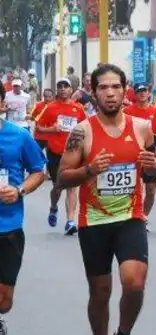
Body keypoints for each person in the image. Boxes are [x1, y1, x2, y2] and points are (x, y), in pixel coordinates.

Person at [57, 64, 156, 335]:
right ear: (94, 91)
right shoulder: (82, 132)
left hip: (130, 217)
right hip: (95, 221)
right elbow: (62, 177)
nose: (111, 93)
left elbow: (153, 170)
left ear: (125, 90)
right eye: (104, 87)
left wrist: (154, 164)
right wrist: (89, 170)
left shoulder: (143, 128)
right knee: (100, 292)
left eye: (116, 87)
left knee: (135, 282)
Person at [0, 107, 47, 335]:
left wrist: (19, 191)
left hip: (8, 226)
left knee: (4, 302)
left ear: (1, 105)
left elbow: (39, 171)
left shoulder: (18, 136)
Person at [36, 77, 86, 235]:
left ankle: (70, 221)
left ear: (71, 90)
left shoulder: (78, 108)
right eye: (60, 86)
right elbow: (38, 127)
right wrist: (52, 130)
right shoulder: (50, 107)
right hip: (55, 152)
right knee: (57, 188)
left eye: (66, 86)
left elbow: (86, 128)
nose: (63, 88)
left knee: (72, 187)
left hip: (72, 152)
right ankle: (53, 207)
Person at [123, 83, 156, 229]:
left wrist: (155, 136)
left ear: (149, 93)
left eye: (144, 91)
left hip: (151, 154)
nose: (142, 94)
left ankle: (143, 217)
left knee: (150, 190)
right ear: (135, 95)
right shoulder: (127, 111)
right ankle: (130, 216)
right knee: (131, 190)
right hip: (131, 154)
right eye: (139, 91)